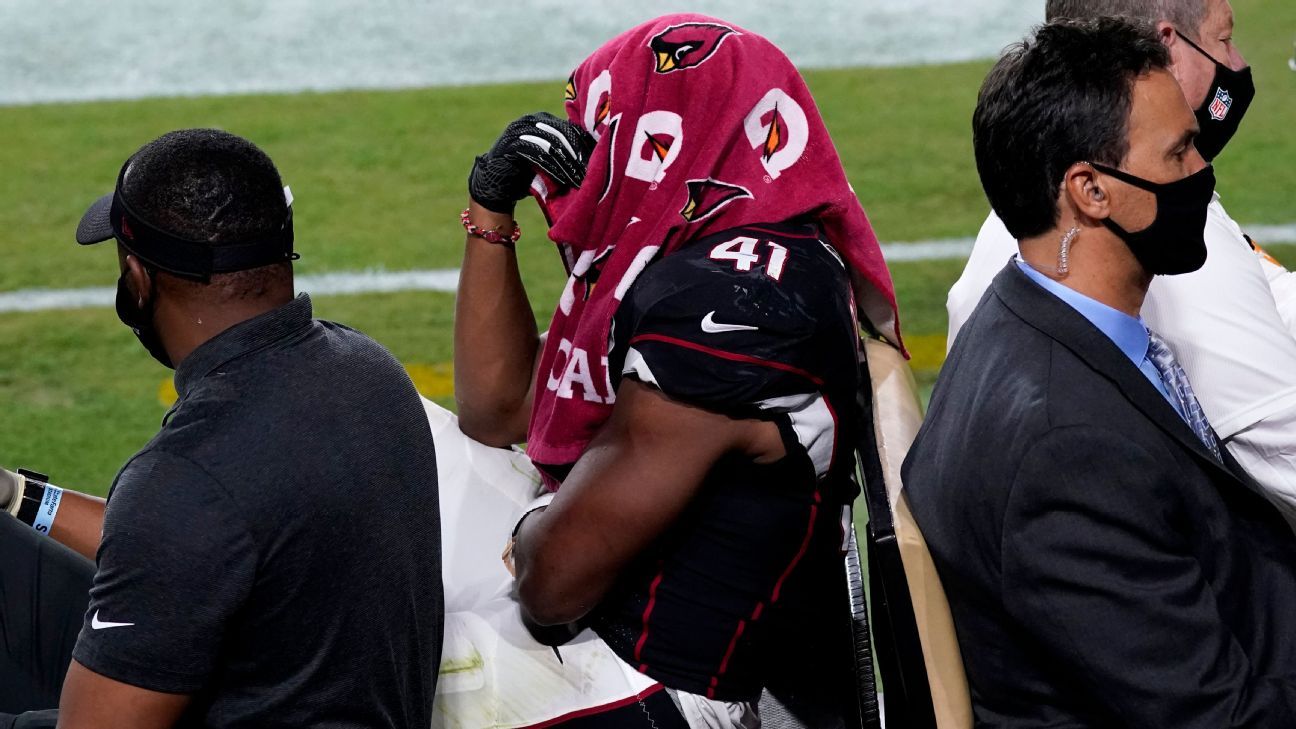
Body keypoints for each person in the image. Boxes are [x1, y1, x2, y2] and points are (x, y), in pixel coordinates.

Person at [451, 13, 901, 727]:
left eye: (608, 123)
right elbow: (498, 410)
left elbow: (552, 584)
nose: (595, 149)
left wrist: (533, 523)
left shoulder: (746, 294)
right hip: (629, 637)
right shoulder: (689, 251)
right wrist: (490, 205)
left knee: (376, 647)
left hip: (686, 688)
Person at [905, 17, 1296, 726]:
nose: (1202, 177)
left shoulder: (1019, 310)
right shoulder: (1069, 453)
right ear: (1090, 190)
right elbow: (1221, 717)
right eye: (1179, 154)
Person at [0, 129, 443, 728]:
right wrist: (18, 496)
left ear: (139, 278)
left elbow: (185, 526)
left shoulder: (191, 474)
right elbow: (196, 548)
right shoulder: (368, 370)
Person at [946, 0, 1296, 525]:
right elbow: (1285, 454)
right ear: (1164, 46)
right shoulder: (1165, 255)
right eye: (1224, 40)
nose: (1238, 63)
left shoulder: (1034, 221)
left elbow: (1268, 293)